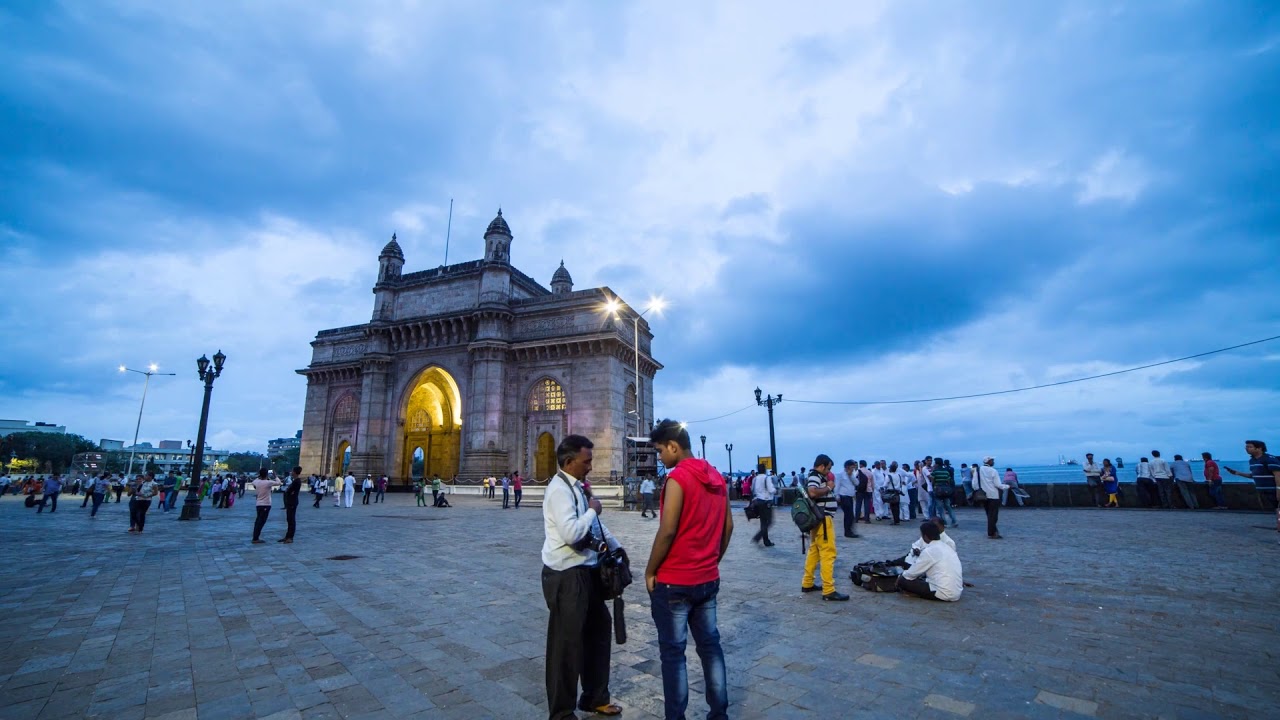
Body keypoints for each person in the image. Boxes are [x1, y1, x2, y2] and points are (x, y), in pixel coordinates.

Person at [644, 420, 731, 720]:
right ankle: (719, 713)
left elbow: (667, 531)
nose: (660, 458)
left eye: (660, 451)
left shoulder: (677, 478)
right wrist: (713, 561)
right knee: (711, 648)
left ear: (673, 447)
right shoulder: (717, 476)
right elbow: (728, 527)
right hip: (707, 579)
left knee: (673, 655)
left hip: (674, 582)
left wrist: (650, 571)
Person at [541, 435, 624, 719]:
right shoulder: (558, 490)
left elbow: (594, 527)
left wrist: (617, 548)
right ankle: (562, 713)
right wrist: (592, 509)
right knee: (566, 646)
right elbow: (572, 533)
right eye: (586, 461)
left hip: (587, 572)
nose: (590, 466)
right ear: (568, 462)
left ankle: (595, 697)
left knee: (599, 631)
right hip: (566, 576)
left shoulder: (576, 487)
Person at [800, 454, 848, 601]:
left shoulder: (813, 476)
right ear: (821, 466)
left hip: (817, 519)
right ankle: (828, 590)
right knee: (828, 553)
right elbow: (812, 492)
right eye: (828, 468)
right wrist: (828, 487)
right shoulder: (816, 476)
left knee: (814, 551)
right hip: (823, 519)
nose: (829, 472)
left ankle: (807, 582)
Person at [897, 521, 963, 601]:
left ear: (925, 536)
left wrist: (900, 577)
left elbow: (911, 573)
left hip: (942, 593)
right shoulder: (947, 547)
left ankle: (915, 593)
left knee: (903, 580)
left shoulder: (930, 550)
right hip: (956, 593)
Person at [1224, 440, 1280, 516]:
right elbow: (1254, 476)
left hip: (1273, 491)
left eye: (1250, 447)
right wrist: (1237, 473)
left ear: (1259, 448)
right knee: (1273, 512)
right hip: (1262, 492)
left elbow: (1278, 475)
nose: (1247, 449)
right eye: (1246, 447)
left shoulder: (1270, 459)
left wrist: (1278, 490)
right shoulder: (1252, 461)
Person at [975, 457, 1009, 539]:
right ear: (989, 461)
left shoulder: (978, 470)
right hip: (993, 495)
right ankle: (992, 532)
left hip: (983, 495)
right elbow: (998, 484)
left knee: (989, 514)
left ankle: (993, 531)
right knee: (993, 515)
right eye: (992, 460)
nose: (993, 462)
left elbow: (974, 483)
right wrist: (1007, 486)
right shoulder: (993, 471)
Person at [750, 463, 777, 547]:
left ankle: (766, 541)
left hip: (758, 502)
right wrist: (775, 490)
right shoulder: (766, 478)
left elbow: (752, 490)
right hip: (766, 502)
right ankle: (758, 537)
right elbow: (771, 490)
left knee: (763, 522)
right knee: (769, 521)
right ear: (765, 469)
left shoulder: (755, 479)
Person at [251, 468, 280, 544]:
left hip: (258, 504)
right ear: (267, 474)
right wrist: (275, 475)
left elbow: (253, 482)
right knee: (261, 521)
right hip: (266, 504)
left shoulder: (257, 482)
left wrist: (260, 476)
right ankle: (255, 538)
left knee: (258, 521)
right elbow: (279, 482)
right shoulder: (268, 482)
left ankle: (255, 536)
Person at [835, 460, 859, 537]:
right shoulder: (841, 474)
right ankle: (848, 532)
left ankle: (849, 530)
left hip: (850, 496)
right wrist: (837, 495)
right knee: (848, 514)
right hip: (844, 496)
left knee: (851, 515)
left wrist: (851, 476)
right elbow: (837, 485)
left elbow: (857, 483)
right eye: (852, 467)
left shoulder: (852, 475)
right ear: (847, 467)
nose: (853, 469)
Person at [930, 459, 957, 527]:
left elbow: (932, 481)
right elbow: (948, 481)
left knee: (940, 507)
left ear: (937, 464)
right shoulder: (946, 471)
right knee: (948, 506)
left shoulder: (935, 472)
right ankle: (954, 521)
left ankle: (944, 522)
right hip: (946, 491)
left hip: (938, 491)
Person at [279, 466, 302, 543]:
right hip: (291, 501)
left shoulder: (297, 481)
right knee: (289, 519)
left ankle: (290, 537)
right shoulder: (295, 480)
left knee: (291, 520)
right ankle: (287, 536)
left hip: (292, 502)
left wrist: (288, 491)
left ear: (295, 472)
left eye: (292, 471)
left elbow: (290, 491)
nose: (291, 472)